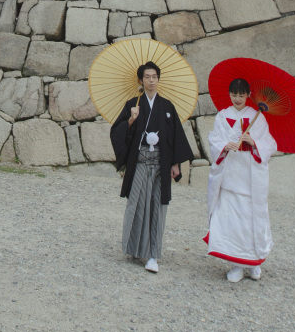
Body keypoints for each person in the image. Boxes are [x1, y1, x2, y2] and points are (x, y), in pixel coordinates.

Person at [110, 61, 194, 274]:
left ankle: (153, 255)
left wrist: (175, 163)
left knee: (157, 206)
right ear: (140, 80)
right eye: (147, 77)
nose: (151, 80)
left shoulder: (166, 106)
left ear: (158, 79)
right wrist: (130, 120)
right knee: (136, 204)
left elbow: (175, 136)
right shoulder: (133, 103)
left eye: (154, 76)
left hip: (160, 162)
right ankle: (135, 248)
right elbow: (117, 132)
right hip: (140, 161)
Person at [205, 77, 277, 282]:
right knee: (232, 221)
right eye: (234, 95)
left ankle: (254, 263)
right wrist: (225, 145)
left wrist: (254, 142)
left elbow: (269, 144)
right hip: (229, 176)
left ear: (248, 96)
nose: (237, 99)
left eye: (241, 95)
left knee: (252, 220)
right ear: (229, 95)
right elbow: (214, 138)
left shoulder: (257, 117)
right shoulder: (222, 116)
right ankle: (236, 264)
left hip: (250, 177)